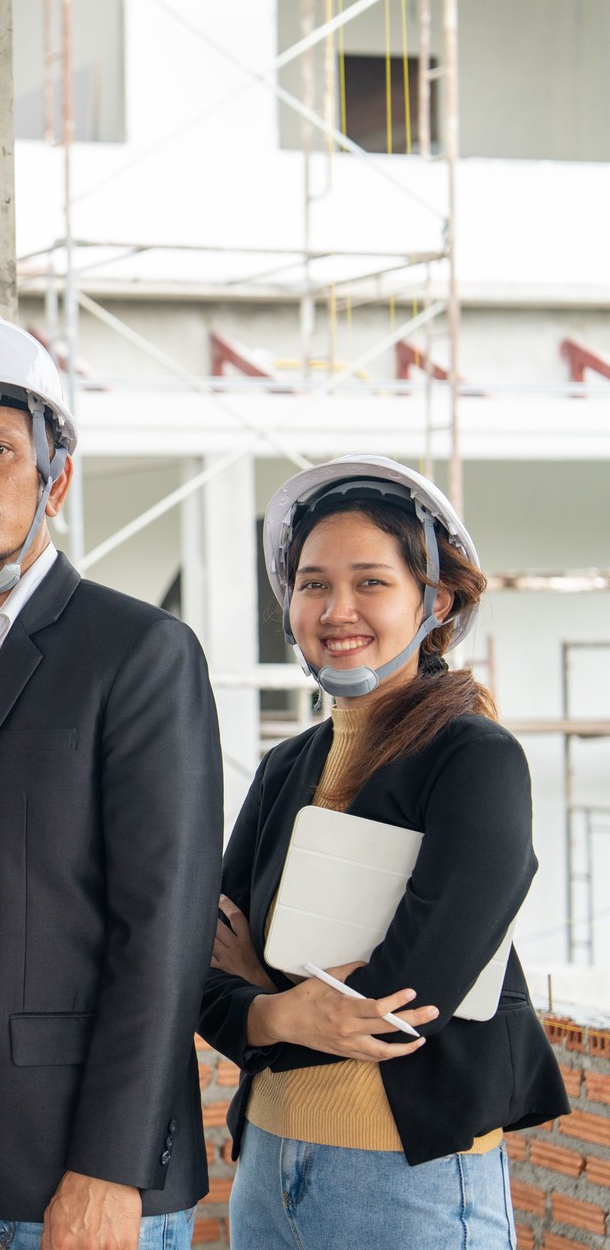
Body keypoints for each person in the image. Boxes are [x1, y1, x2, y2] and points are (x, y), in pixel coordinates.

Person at [0, 311, 223, 1250]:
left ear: (55, 476)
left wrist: (112, 1166)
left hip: (81, 1174)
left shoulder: (138, 652)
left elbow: (166, 931)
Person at [199, 454, 569, 1249]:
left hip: (406, 1184)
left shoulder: (474, 760)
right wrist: (284, 1006)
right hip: (267, 1167)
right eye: (312, 583)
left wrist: (261, 1000)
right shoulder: (286, 766)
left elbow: (405, 1008)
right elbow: (201, 969)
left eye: (371, 581)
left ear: (433, 601)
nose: (337, 609)